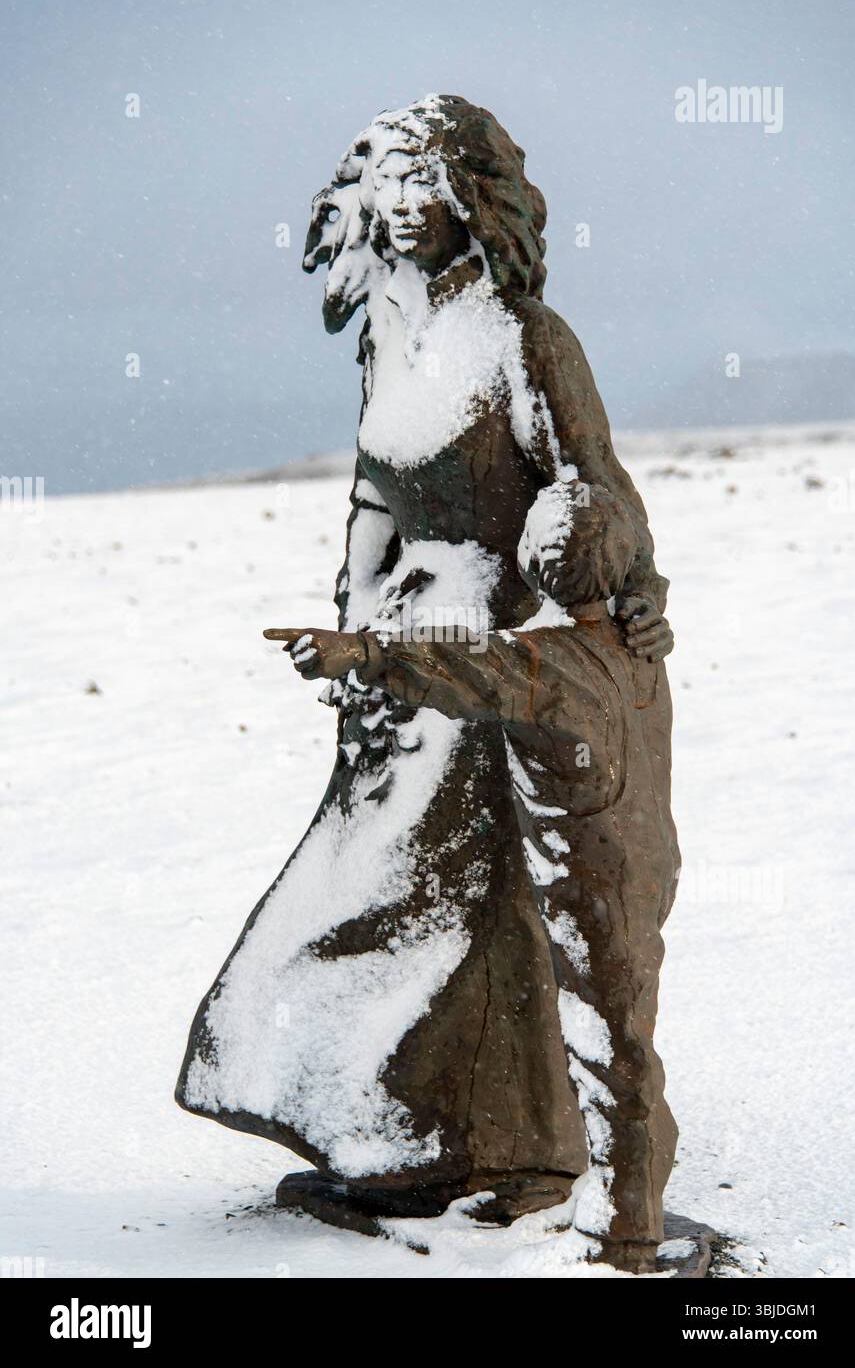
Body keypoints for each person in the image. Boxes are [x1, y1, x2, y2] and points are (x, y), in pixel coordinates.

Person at [177, 96, 678, 1271]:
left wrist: (632, 586)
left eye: (427, 180)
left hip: (490, 655)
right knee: (366, 890)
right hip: (392, 658)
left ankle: (512, 1153)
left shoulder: (524, 336)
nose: (404, 207)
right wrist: (354, 615)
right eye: (388, 182)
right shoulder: (389, 334)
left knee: (472, 908)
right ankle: (391, 1129)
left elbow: (594, 486)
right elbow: (370, 497)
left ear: (471, 196)